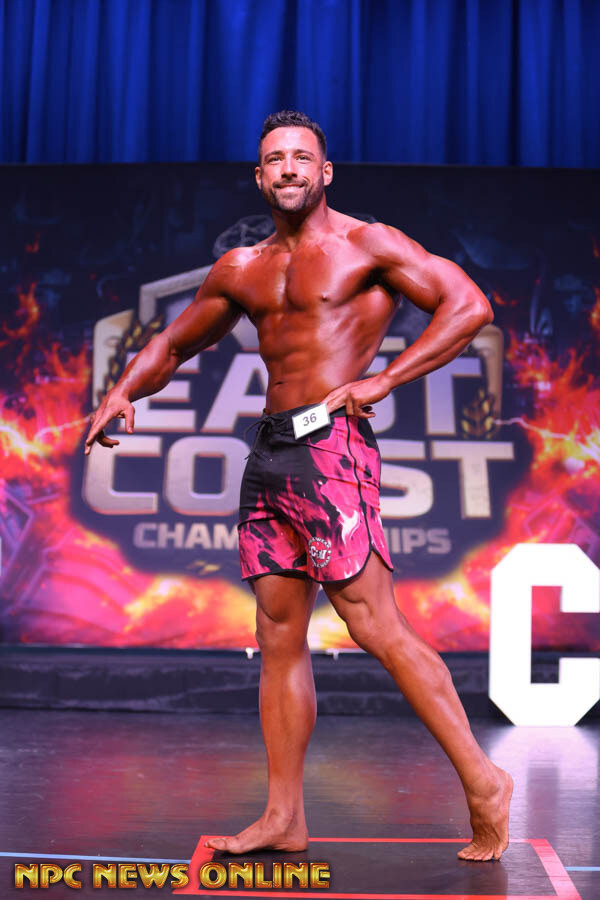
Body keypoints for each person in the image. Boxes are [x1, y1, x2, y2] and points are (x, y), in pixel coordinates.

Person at [85, 110, 513, 862]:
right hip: (271, 454)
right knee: (277, 635)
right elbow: (174, 343)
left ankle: (485, 781)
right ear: (259, 177)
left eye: (301, 158)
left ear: (325, 171)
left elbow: (469, 305)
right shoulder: (241, 268)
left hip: (333, 448)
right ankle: (284, 816)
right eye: (275, 159)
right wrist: (123, 391)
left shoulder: (368, 245)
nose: (288, 168)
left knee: (374, 624)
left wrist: (386, 378)